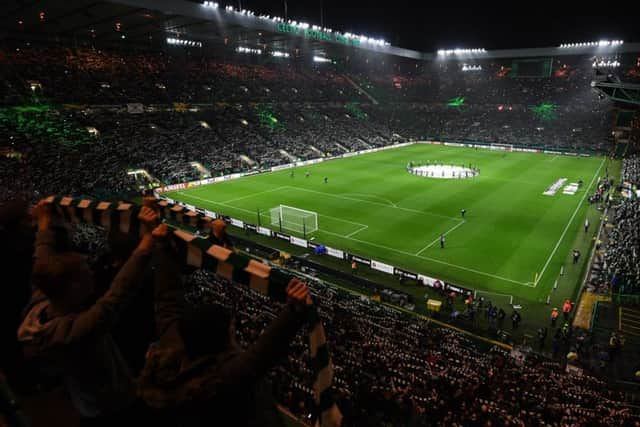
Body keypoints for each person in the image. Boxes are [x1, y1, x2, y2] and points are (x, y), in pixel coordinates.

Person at [138, 223, 314, 427]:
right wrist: (293, 311)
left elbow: (166, 300)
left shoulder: (168, 352)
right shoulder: (223, 380)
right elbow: (264, 351)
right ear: (222, 339)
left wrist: (162, 248)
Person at [17, 199, 161, 423]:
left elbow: (42, 258)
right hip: (111, 407)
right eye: (86, 272)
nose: (92, 272)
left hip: (84, 402)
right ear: (74, 287)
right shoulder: (80, 330)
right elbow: (119, 291)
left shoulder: (41, 303)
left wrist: (44, 224)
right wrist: (148, 239)